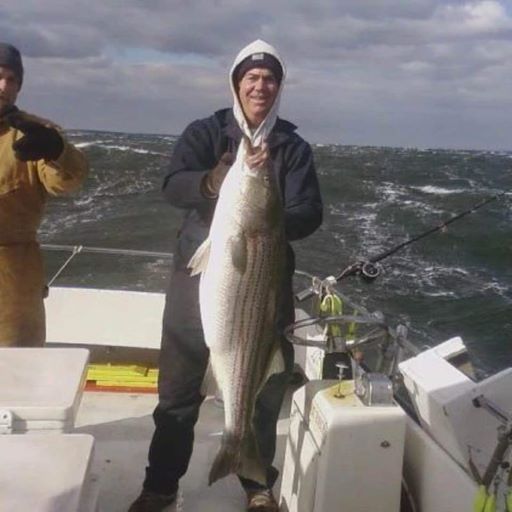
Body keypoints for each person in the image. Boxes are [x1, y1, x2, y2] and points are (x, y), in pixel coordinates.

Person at [129, 39, 323, 512]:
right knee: (177, 395)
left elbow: (309, 211)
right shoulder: (205, 132)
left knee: (263, 391)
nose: (261, 85)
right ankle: (160, 487)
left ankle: (257, 485)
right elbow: (174, 186)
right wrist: (214, 181)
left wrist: (270, 220)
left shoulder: (292, 148)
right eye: (252, 77)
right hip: (196, 284)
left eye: (270, 78)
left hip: (264, 285)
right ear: (236, 83)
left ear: (280, 87)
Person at [0, 42, 88, 347]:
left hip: (12, 286)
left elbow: (67, 181)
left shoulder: (34, 132)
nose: (3, 86)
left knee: (14, 381)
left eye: (12, 80)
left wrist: (57, 151)